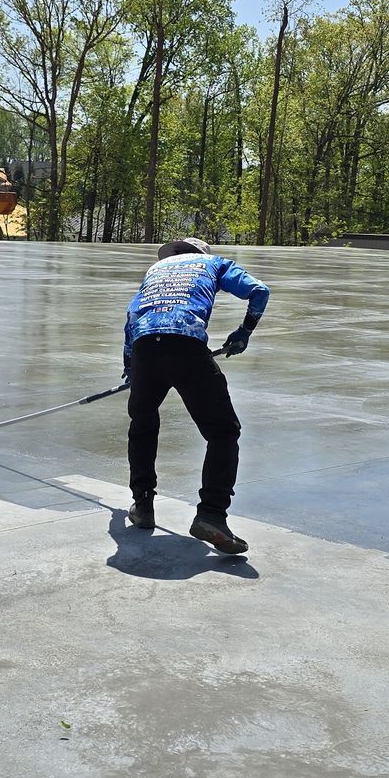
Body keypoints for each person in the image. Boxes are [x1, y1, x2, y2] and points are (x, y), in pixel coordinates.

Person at [122, 238, 269, 555]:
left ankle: (142, 506)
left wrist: (130, 365)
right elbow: (259, 291)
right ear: (202, 255)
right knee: (223, 431)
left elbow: (132, 314)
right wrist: (244, 332)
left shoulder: (156, 268)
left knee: (143, 424)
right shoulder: (215, 264)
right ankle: (211, 515)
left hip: (145, 346)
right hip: (186, 344)